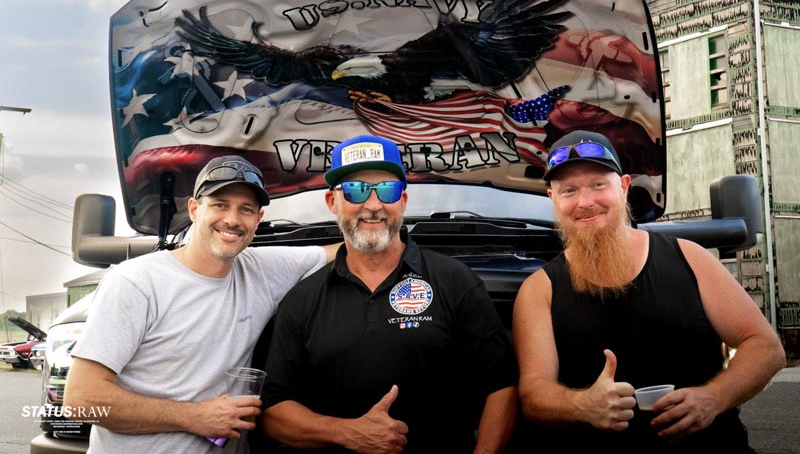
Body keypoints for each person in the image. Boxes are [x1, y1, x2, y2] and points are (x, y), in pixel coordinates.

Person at [512, 130, 786, 453]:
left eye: (599, 185)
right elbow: (532, 394)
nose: (585, 202)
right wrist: (581, 404)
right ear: (552, 199)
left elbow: (767, 348)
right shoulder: (538, 291)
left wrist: (713, 398)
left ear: (625, 187)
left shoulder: (690, 259)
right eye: (569, 190)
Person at [259, 134, 518, 454]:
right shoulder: (301, 299)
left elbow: (501, 388)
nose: (373, 205)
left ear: (403, 201)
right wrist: (346, 432)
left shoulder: (456, 282)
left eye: (387, 189)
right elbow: (273, 411)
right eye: (355, 190)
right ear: (331, 202)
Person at [64, 155, 338, 453]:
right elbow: (80, 400)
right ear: (194, 209)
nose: (232, 220)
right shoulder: (136, 282)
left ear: (258, 220)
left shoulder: (262, 269)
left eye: (245, 209)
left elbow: (341, 250)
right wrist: (195, 417)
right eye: (220, 205)